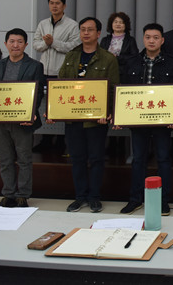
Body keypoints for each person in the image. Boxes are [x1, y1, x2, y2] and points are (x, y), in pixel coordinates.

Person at [56, 17, 119, 213]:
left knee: (96, 159)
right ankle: (80, 196)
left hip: (96, 120)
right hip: (73, 118)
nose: (85, 33)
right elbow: (61, 84)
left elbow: (113, 89)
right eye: (82, 29)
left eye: (90, 30)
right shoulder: (71, 56)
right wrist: (55, 109)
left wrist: (108, 112)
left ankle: (94, 197)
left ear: (98, 33)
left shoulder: (108, 58)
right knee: (77, 159)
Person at [118, 23, 173, 216]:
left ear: (162, 40)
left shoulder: (172, 63)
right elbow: (124, 91)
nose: (151, 41)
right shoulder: (132, 62)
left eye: (155, 37)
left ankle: (163, 201)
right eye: (148, 37)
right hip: (138, 121)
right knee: (138, 159)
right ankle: (135, 199)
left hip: (163, 121)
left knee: (163, 159)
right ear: (143, 39)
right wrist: (122, 115)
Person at [0, 29, 44, 207]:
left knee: (24, 159)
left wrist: (31, 113)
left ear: (26, 45)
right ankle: (8, 194)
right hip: (0, 121)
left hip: (23, 121)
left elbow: (38, 94)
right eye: (12, 41)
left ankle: (23, 195)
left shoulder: (35, 66)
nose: (15, 45)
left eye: (20, 42)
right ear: (6, 44)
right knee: (5, 159)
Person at [32, 0, 80, 153]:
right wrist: (47, 43)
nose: (54, 6)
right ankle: (45, 140)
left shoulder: (72, 25)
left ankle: (61, 142)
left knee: (61, 105)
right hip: (44, 70)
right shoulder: (43, 23)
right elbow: (36, 45)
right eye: (51, 3)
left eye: (57, 3)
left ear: (64, 6)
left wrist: (54, 42)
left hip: (62, 72)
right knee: (44, 105)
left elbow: (74, 46)